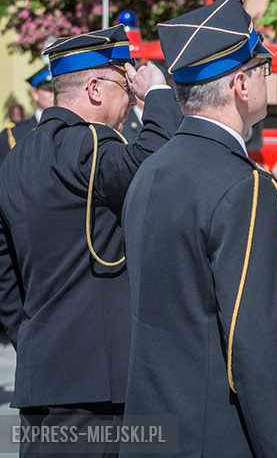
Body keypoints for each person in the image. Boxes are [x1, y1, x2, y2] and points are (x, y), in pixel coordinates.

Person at [120, 0, 277, 457]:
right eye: (264, 69)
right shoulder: (244, 186)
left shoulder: (149, 169)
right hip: (217, 438)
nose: (269, 78)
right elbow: (259, 350)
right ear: (242, 84)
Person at [0, 24, 182, 456]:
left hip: (42, 374)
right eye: (125, 83)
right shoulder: (83, 144)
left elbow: (4, 268)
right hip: (95, 381)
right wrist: (156, 95)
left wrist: (28, 334)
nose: (129, 96)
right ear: (96, 89)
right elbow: (153, 162)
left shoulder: (17, 154)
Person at [0, 66, 53, 166]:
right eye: (48, 90)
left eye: (56, 89)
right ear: (35, 94)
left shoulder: (72, 128)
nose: (53, 94)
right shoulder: (13, 133)